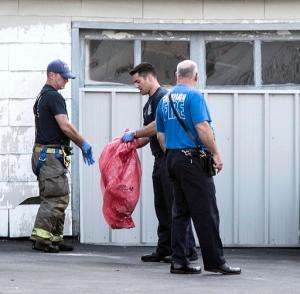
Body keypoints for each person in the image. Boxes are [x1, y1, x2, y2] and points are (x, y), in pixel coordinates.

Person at [156, 60, 241, 275]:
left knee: (180, 213)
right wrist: (215, 154)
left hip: (172, 159)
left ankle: (179, 262)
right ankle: (215, 262)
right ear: (196, 76)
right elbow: (202, 127)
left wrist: (173, 155)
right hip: (192, 161)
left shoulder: (164, 100)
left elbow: (160, 135)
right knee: (206, 212)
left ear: (177, 76)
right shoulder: (194, 97)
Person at [122, 62, 197, 263]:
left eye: (138, 81)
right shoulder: (148, 104)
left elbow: (157, 126)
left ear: (149, 77)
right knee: (161, 206)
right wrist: (130, 145)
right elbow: (149, 135)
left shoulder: (163, 97)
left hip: (168, 157)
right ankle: (165, 248)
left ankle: (187, 250)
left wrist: (135, 133)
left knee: (175, 205)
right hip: (159, 159)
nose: (136, 85)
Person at [30, 59, 95, 253]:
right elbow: (65, 126)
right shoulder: (53, 97)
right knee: (54, 198)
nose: (66, 82)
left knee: (59, 196)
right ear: (52, 74)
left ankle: (55, 239)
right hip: (50, 156)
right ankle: (42, 240)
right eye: (64, 78)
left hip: (45, 155)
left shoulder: (42, 97)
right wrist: (83, 143)